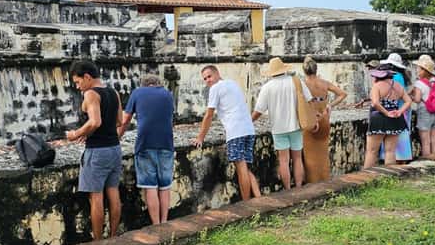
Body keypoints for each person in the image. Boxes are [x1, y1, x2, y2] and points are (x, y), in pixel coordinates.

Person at [66, 59, 122, 240]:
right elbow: (119, 121)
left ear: (87, 77)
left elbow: (95, 121)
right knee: (113, 192)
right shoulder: (113, 93)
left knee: (96, 197)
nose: (77, 86)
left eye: (78, 81)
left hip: (97, 151)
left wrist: (76, 134)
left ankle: (98, 242)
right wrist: (89, 131)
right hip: (114, 147)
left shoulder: (90, 94)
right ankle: (113, 236)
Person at [191, 65, 261, 200]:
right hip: (248, 129)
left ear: (217, 74)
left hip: (236, 131)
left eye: (209, 76)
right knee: (245, 167)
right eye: (205, 79)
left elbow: (209, 115)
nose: (207, 80)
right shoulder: (232, 83)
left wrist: (200, 137)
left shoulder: (215, 89)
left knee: (241, 168)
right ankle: (258, 198)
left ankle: (246, 204)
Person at [118, 74, 175, 225]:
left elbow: (125, 120)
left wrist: (117, 136)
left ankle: (156, 225)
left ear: (144, 85)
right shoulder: (168, 94)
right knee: (164, 186)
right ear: (158, 84)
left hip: (145, 143)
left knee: (150, 187)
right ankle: (164, 221)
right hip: (166, 143)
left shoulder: (137, 92)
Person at [251, 57, 313, 190]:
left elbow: (258, 111)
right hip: (296, 126)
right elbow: (309, 100)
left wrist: (248, 122)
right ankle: (298, 187)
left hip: (279, 128)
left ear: (272, 72)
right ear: (284, 69)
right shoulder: (296, 82)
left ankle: (288, 190)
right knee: (297, 158)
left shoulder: (267, 88)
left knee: (284, 161)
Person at [300, 55, 348, 183]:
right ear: (316, 69)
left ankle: (313, 183)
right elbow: (343, 94)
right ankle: (325, 180)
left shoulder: (303, 84)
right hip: (324, 119)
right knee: (323, 154)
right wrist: (329, 105)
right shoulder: (324, 83)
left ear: (304, 70)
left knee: (310, 156)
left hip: (310, 120)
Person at [364, 66, 413, 168]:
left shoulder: (377, 86)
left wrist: (386, 113)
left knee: (372, 151)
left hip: (378, 119)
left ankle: (366, 178)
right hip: (395, 118)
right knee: (390, 151)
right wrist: (399, 112)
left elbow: (376, 103)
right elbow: (408, 101)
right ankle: (390, 176)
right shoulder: (398, 86)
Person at [379, 52, 414, 162]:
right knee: (401, 135)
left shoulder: (394, 77)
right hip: (402, 108)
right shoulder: (401, 76)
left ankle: (396, 159)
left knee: (393, 138)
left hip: (395, 108)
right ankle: (402, 158)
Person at [411, 54, 435, 156]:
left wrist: (410, 96)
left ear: (424, 70)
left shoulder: (419, 84)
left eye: (418, 68)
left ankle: (428, 164)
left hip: (425, 111)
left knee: (425, 142)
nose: (417, 70)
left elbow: (417, 100)